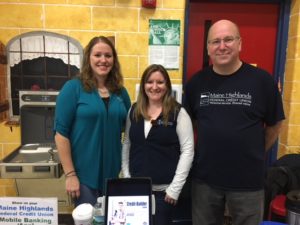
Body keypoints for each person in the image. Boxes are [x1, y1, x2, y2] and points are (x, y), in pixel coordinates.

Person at [183, 19, 285, 225]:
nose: (222, 46)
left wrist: (254, 151)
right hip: (205, 181)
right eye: (215, 41)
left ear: (240, 43)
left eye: (228, 39)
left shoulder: (262, 81)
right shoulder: (196, 83)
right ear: (208, 48)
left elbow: (275, 125)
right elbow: (190, 125)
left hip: (248, 183)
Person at [54, 36, 131, 206]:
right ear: (88, 58)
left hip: (113, 176)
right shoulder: (73, 88)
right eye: (98, 55)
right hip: (83, 179)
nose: (103, 60)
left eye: (108, 56)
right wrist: (70, 175)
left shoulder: (120, 93)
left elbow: (131, 129)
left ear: (114, 60)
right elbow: (61, 135)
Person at [122, 64, 194, 225]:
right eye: (149, 82)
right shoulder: (134, 110)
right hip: (137, 188)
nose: (154, 87)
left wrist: (174, 189)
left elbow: (188, 151)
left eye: (160, 82)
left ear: (167, 85)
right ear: (143, 85)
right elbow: (127, 143)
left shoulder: (178, 113)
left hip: (164, 193)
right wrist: (127, 176)